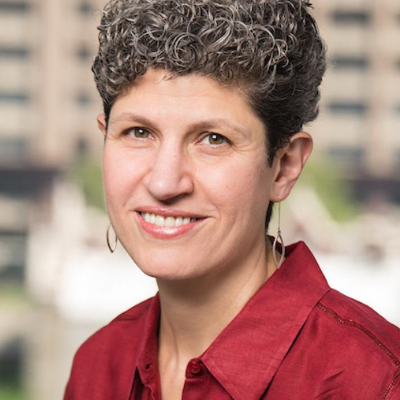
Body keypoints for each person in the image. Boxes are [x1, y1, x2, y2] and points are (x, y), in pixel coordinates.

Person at [64, 0, 400, 399]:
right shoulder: (98, 365)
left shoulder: (373, 380)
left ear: (284, 167)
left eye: (213, 139)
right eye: (138, 132)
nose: (164, 182)